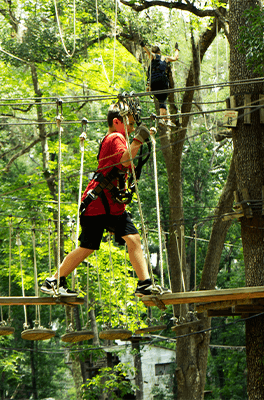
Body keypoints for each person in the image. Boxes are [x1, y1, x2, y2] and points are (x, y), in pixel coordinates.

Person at [41, 100, 167, 297]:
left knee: (131, 239)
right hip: (99, 205)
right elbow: (125, 161)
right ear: (117, 122)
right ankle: (54, 281)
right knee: (88, 246)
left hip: (110, 206)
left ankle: (144, 284)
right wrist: (139, 140)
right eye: (131, 124)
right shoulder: (116, 137)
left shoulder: (116, 138)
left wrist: (135, 141)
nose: (133, 128)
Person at [142, 42, 179, 127]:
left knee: (161, 101)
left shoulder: (153, 56)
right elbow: (175, 58)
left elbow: (148, 52)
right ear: (159, 52)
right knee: (163, 100)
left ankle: (164, 119)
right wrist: (177, 49)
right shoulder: (165, 58)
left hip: (153, 83)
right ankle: (164, 119)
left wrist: (143, 45)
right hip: (162, 81)